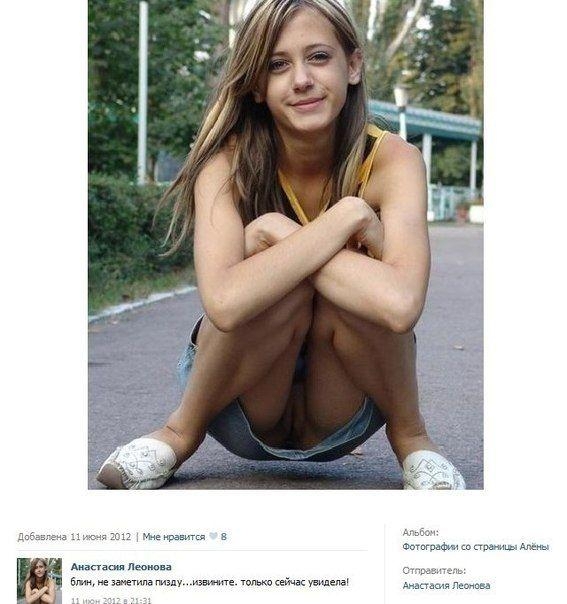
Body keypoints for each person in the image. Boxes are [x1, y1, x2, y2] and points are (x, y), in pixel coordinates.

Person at [97, 0, 465, 490]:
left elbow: (399, 306)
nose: (301, 80)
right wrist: (345, 222)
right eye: (277, 65)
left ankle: (413, 439)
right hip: (238, 402)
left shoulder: (395, 161)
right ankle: (177, 433)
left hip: (346, 404)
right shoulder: (224, 163)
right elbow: (225, 303)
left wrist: (277, 235)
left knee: (333, 286)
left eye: (319, 57)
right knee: (288, 284)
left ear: (353, 65)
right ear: (256, 85)